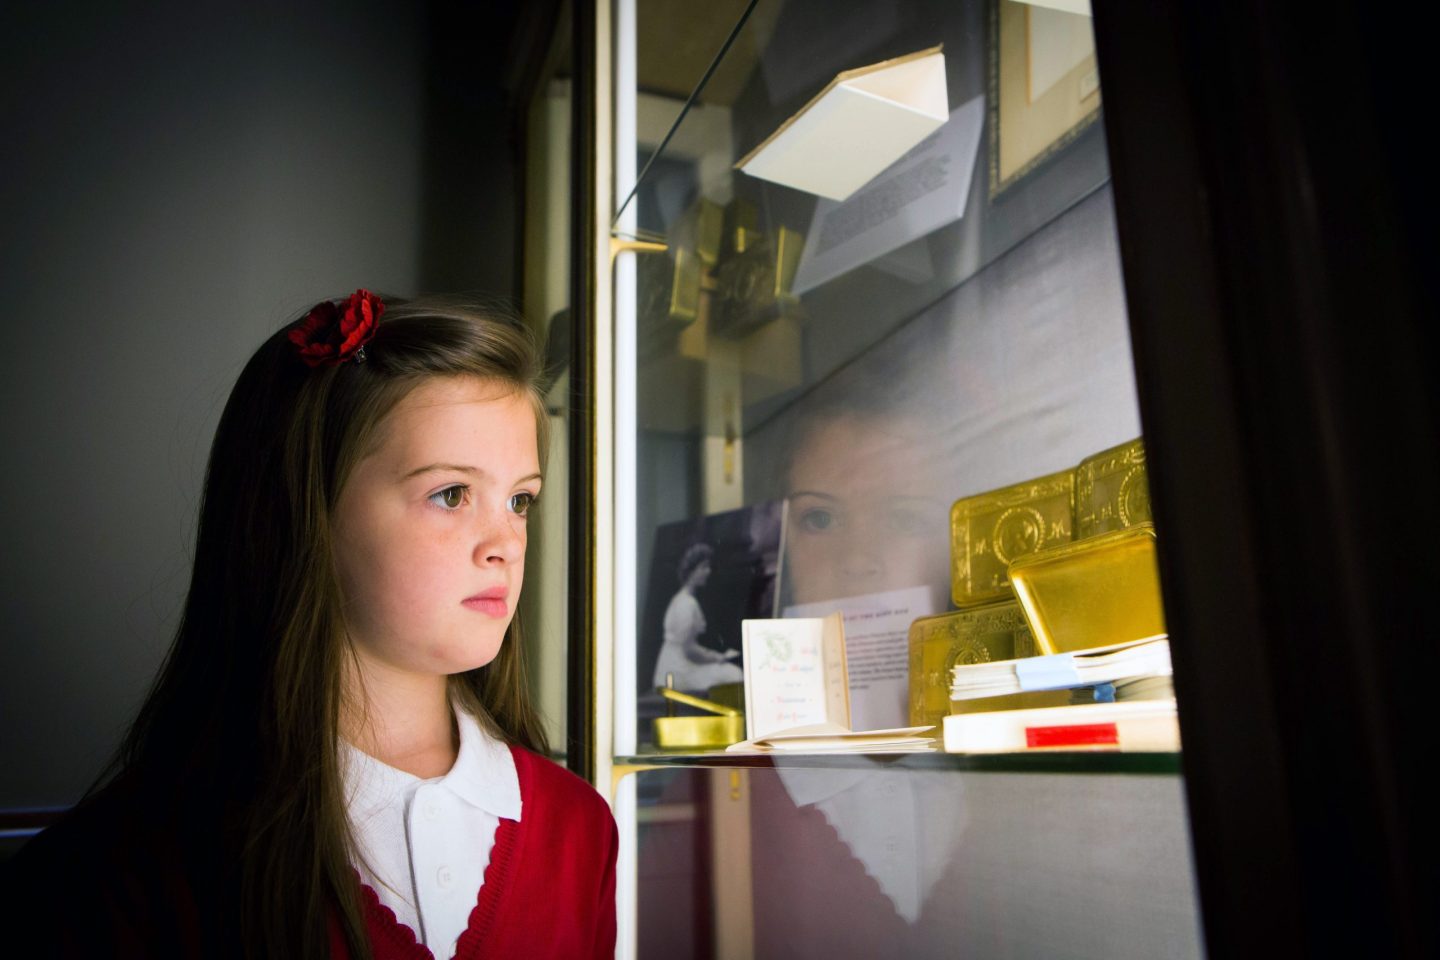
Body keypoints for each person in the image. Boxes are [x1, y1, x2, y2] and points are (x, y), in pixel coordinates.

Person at [0, 291, 616, 958]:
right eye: (450, 494)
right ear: (307, 510)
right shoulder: (127, 867)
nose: (506, 542)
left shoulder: (579, 829)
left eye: (520, 499)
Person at [651, 543, 742, 693]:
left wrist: (718, 656)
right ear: (692, 570)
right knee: (734, 675)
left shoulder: (680, 599)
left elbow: (688, 645)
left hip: (670, 667)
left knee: (730, 673)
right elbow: (689, 651)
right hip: (679, 670)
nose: (708, 571)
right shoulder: (687, 604)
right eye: (704, 567)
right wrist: (717, 658)